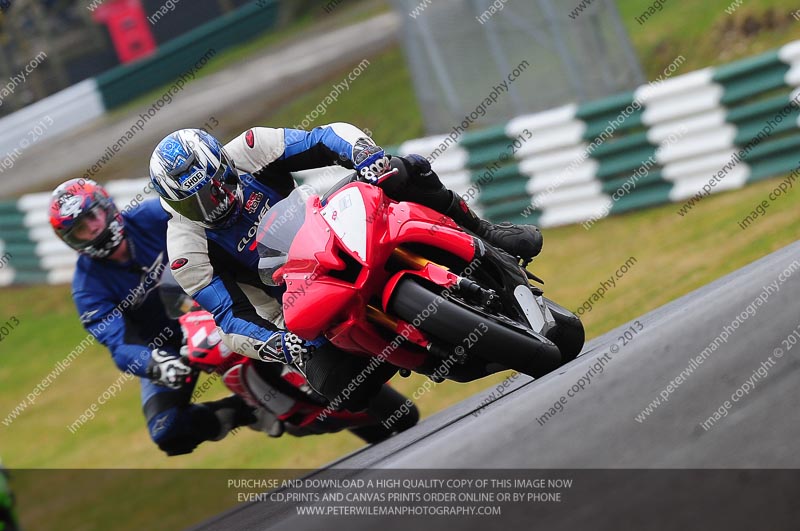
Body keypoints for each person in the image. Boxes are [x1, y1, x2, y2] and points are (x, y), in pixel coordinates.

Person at [148, 123, 542, 413]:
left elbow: (323, 137)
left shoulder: (250, 147)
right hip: (294, 299)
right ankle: (408, 353)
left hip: (330, 225)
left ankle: (485, 232)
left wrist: (365, 156)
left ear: (224, 166)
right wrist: (281, 344)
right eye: (194, 203)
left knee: (404, 169)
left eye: (214, 188)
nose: (211, 205)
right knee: (338, 388)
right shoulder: (185, 250)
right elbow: (231, 317)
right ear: (173, 205)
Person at [49, 178, 275, 456]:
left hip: (219, 301)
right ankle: (249, 411)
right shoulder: (87, 290)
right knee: (166, 431)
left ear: (107, 207)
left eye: (92, 217)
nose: (93, 229)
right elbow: (119, 345)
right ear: (71, 242)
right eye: (80, 230)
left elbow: (210, 224)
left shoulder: (154, 216)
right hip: (168, 348)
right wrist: (155, 364)